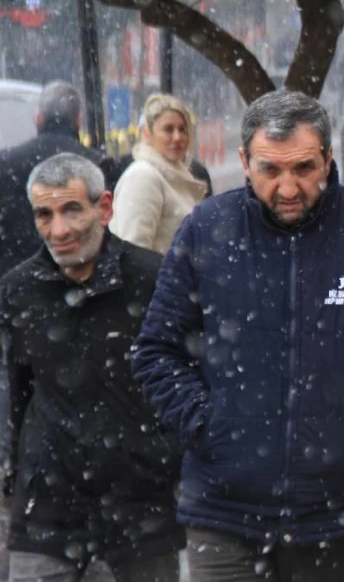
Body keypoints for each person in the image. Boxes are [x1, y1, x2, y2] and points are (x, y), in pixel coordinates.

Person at [130, 90, 344, 582]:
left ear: (328, 157)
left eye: (304, 168)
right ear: (243, 162)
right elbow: (156, 350)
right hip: (222, 507)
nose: (288, 187)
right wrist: (204, 424)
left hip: (334, 512)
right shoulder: (206, 231)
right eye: (270, 170)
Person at [0, 153, 183, 582]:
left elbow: (185, 383)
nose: (58, 230)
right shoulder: (17, 293)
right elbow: (14, 390)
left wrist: (171, 460)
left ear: (104, 207)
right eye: (44, 215)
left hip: (142, 507)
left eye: (71, 210)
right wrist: (13, 469)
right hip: (45, 509)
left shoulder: (155, 281)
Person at [0, 81, 121, 277]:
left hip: (14, 273)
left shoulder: (6, 162)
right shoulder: (98, 164)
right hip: (81, 274)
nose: (58, 231)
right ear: (78, 120)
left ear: (38, 118)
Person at [110, 93, 208, 254]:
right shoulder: (143, 176)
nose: (177, 137)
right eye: (168, 129)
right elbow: (134, 251)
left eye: (182, 129)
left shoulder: (175, 175)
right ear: (148, 134)